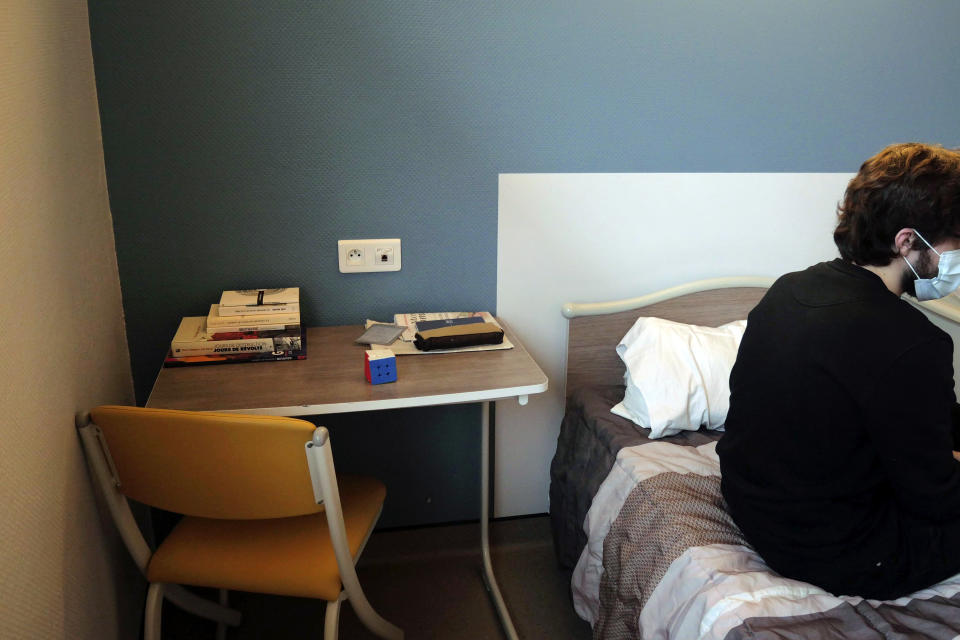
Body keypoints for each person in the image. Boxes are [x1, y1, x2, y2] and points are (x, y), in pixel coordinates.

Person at [716, 142, 960, 600]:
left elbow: (924, 411)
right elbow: (936, 498)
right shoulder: (911, 343)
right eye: (957, 246)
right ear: (907, 241)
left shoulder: (791, 289)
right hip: (842, 552)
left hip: (755, 509)